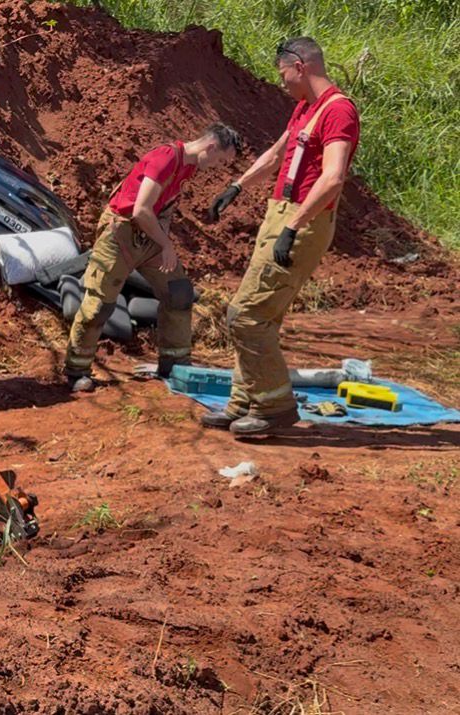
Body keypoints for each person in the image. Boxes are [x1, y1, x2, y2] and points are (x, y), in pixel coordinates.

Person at [203, 37, 360, 435]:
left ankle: (275, 408)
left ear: (301, 66)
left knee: (247, 316)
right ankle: (244, 402)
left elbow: (333, 177)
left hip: (302, 220)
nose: (283, 82)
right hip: (281, 215)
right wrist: (237, 187)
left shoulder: (338, 111)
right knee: (255, 314)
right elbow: (276, 155)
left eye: (284, 73)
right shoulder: (305, 109)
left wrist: (293, 227)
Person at [64, 123, 243, 392]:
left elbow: (163, 210)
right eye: (220, 160)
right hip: (121, 233)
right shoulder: (166, 157)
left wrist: (161, 242)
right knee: (100, 303)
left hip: (149, 237)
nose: (217, 167)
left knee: (179, 292)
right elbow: (140, 210)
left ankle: (175, 364)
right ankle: (76, 369)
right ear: (210, 147)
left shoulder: (189, 167)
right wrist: (166, 245)